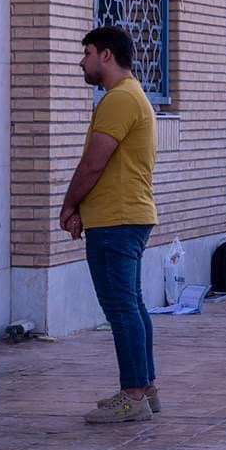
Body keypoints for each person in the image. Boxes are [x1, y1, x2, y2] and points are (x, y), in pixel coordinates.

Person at [59, 25, 163, 424]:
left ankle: (133, 396)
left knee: (121, 308)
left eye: (86, 53)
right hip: (125, 215)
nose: (81, 62)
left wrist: (69, 204)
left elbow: (93, 162)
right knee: (132, 304)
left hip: (117, 220)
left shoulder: (119, 98)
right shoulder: (131, 95)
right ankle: (145, 389)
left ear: (106, 55)